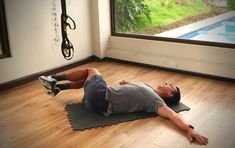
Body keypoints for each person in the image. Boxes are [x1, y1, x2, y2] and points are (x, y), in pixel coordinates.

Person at [39, 67, 208, 145]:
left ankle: (53, 78)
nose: (165, 83)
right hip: (91, 104)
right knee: (88, 81)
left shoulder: (156, 102)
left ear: (169, 94)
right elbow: (134, 88)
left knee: (92, 70)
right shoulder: (149, 89)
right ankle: (57, 88)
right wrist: (126, 82)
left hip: (101, 98)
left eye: (169, 85)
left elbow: (173, 115)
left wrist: (189, 129)